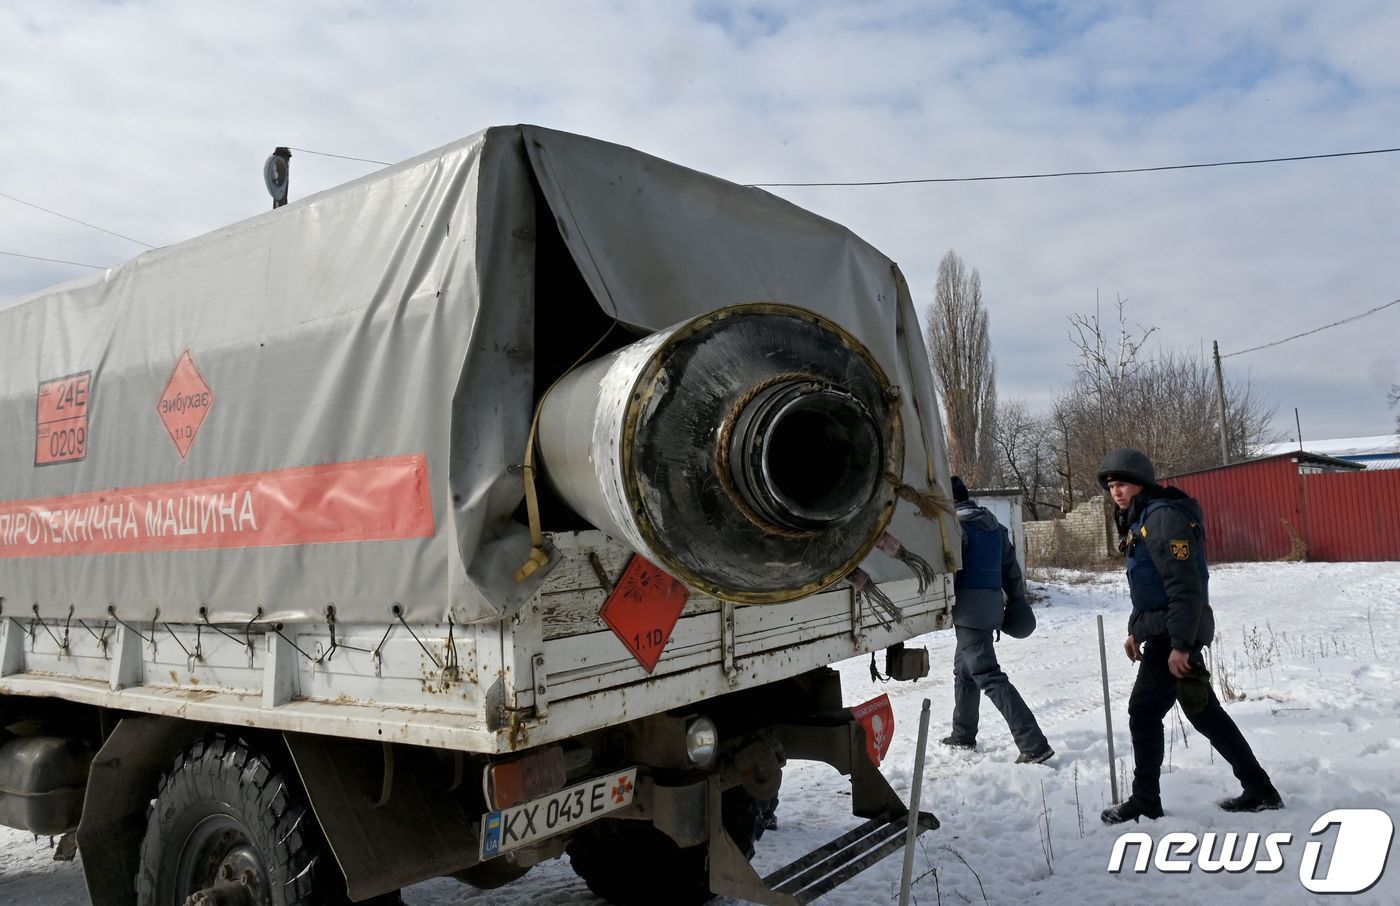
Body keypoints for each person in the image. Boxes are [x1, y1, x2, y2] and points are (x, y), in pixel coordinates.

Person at [1096, 448, 1284, 824]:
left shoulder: (1163, 517)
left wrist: (1181, 645)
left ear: (1143, 483)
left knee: (1144, 712)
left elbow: (1185, 585)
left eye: (1123, 484)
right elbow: (1150, 586)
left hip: (1175, 633)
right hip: (1165, 629)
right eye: (1112, 486)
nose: (1116, 491)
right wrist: (1136, 630)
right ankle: (1260, 789)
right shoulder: (1142, 518)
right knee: (1203, 712)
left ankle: (1146, 800)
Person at [941, 476, 1053, 764]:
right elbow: (1012, 572)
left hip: (968, 612)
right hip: (991, 610)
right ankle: (962, 735)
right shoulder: (994, 528)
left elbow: (947, 572)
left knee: (988, 676)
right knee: (964, 670)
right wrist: (1016, 602)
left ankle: (1034, 744)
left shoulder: (955, 529)